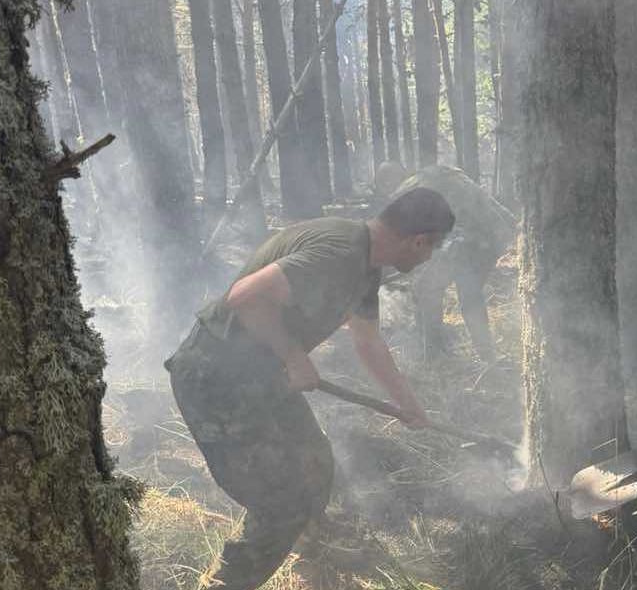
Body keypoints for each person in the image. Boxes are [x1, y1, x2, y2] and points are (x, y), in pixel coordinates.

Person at [165, 188, 455, 589]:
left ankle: (309, 556)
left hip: (261, 376)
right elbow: (243, 297)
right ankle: (228, 582)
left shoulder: (365, 264)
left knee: (315, 463)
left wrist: (408, 405)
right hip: (215, 379)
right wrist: (293, 355)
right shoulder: (338, 254)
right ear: (418, 241)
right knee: (280, 502)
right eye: (433, 248)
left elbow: (368, 342)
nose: (429, 258)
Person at [375, 162, 517, 364]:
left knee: (427, 289)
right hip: (495, 234)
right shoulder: (435, 173)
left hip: (467, 239)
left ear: (388, 182)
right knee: (470, 296)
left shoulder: (406, 191)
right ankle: (488, 358)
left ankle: (435, 356)